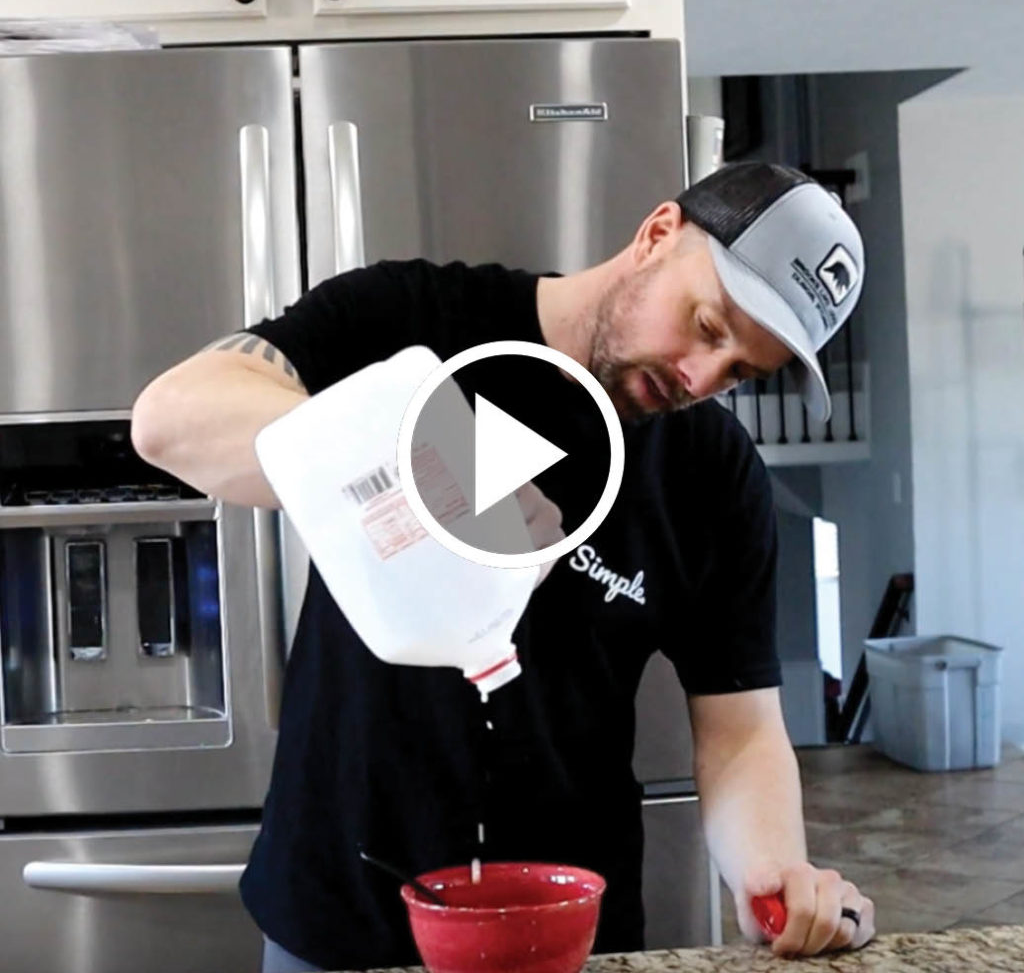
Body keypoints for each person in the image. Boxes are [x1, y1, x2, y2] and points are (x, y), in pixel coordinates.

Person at [131, 162, 876, 970]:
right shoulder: (415, 318)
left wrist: (772, 870)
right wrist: (431, 465)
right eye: (705, 323)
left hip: (564, 928)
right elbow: (172, 419)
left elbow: (740, 727)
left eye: (739, 371)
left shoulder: (712, 475)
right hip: (338, 919)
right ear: (659, 234)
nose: (699, 378)